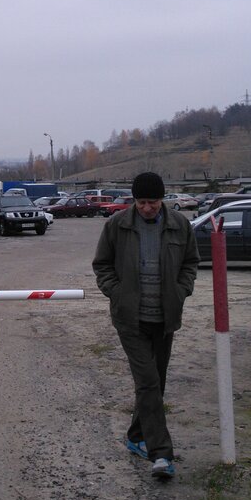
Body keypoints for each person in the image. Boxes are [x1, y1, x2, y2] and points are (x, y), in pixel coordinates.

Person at [92, 172, 200, 479]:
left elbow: (190, 263)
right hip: (130, 319)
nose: (147, 208)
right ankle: (161, 454)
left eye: (152, 202)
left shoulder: (179, 225)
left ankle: (136, 435)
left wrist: (182, 290)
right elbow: (102, 265)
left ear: (161, 199)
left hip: (164, 318)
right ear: (134, 200)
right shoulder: (117, 225)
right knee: (148, 382)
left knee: (156, 381)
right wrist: (117, 293)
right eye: (141, 202)